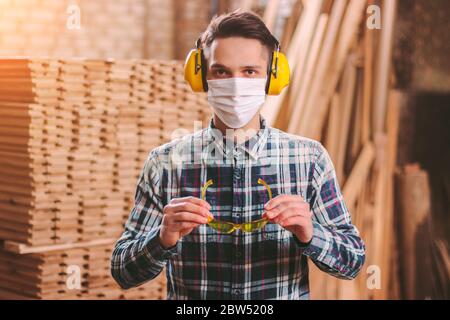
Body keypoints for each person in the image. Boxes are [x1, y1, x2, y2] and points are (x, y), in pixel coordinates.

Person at [111, 9, 365, 300]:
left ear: (272, 77)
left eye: (249, 71)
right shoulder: (164, 163)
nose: (235, 85)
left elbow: (352, 262)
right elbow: (122, 272)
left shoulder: (309, 159)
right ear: (202, 77)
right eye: (221, 71)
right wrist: (161, 239)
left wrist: (310, 233)